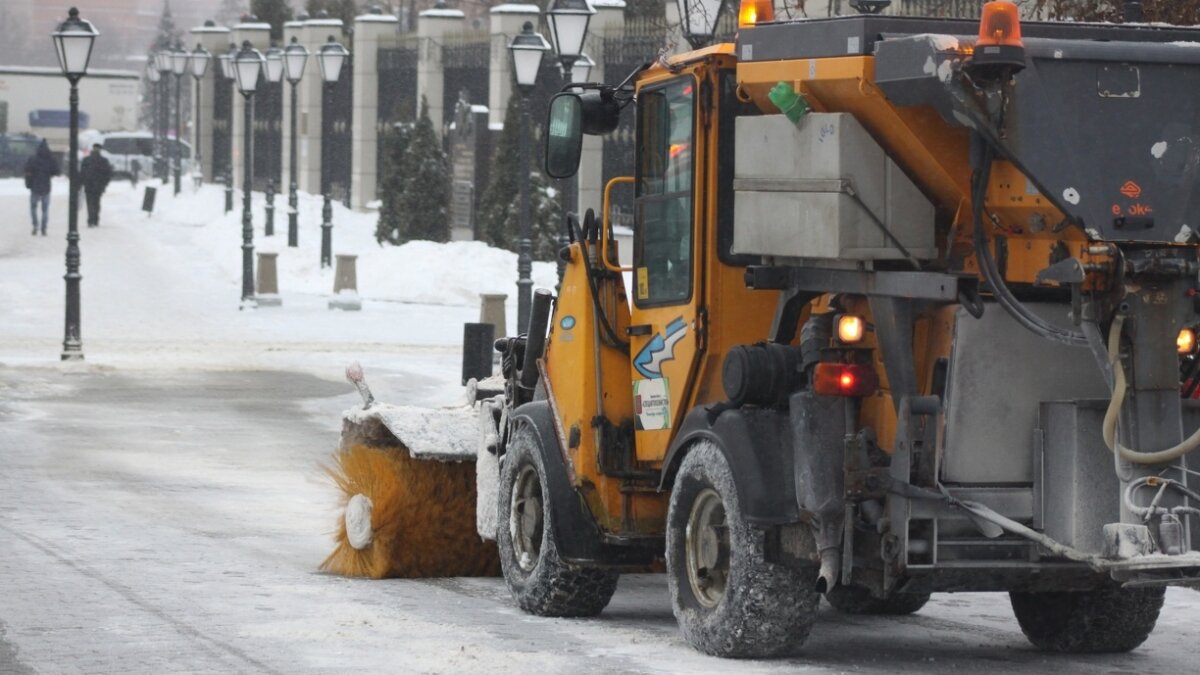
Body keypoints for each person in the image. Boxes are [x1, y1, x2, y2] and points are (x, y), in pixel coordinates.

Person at [23, 139, 60, 236]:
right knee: (45, 209)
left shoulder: (33, 158)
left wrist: (29, 181)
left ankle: (35, 225)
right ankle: (44, 228)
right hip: (46, 186)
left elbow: (27, 170)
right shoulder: (50, 159)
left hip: (35, 186)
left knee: (33, 207)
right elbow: (56, 171)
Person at [80, 143, 113, 228]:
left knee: (90, 202)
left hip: (89, 185)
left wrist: (82, 182)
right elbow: (108, 173)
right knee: (96, 202)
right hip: (98, 185)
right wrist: (104, 184)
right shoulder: (103, 160)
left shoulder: (86, 160)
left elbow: (82, 173)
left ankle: (91, 219)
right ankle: (95, 219)